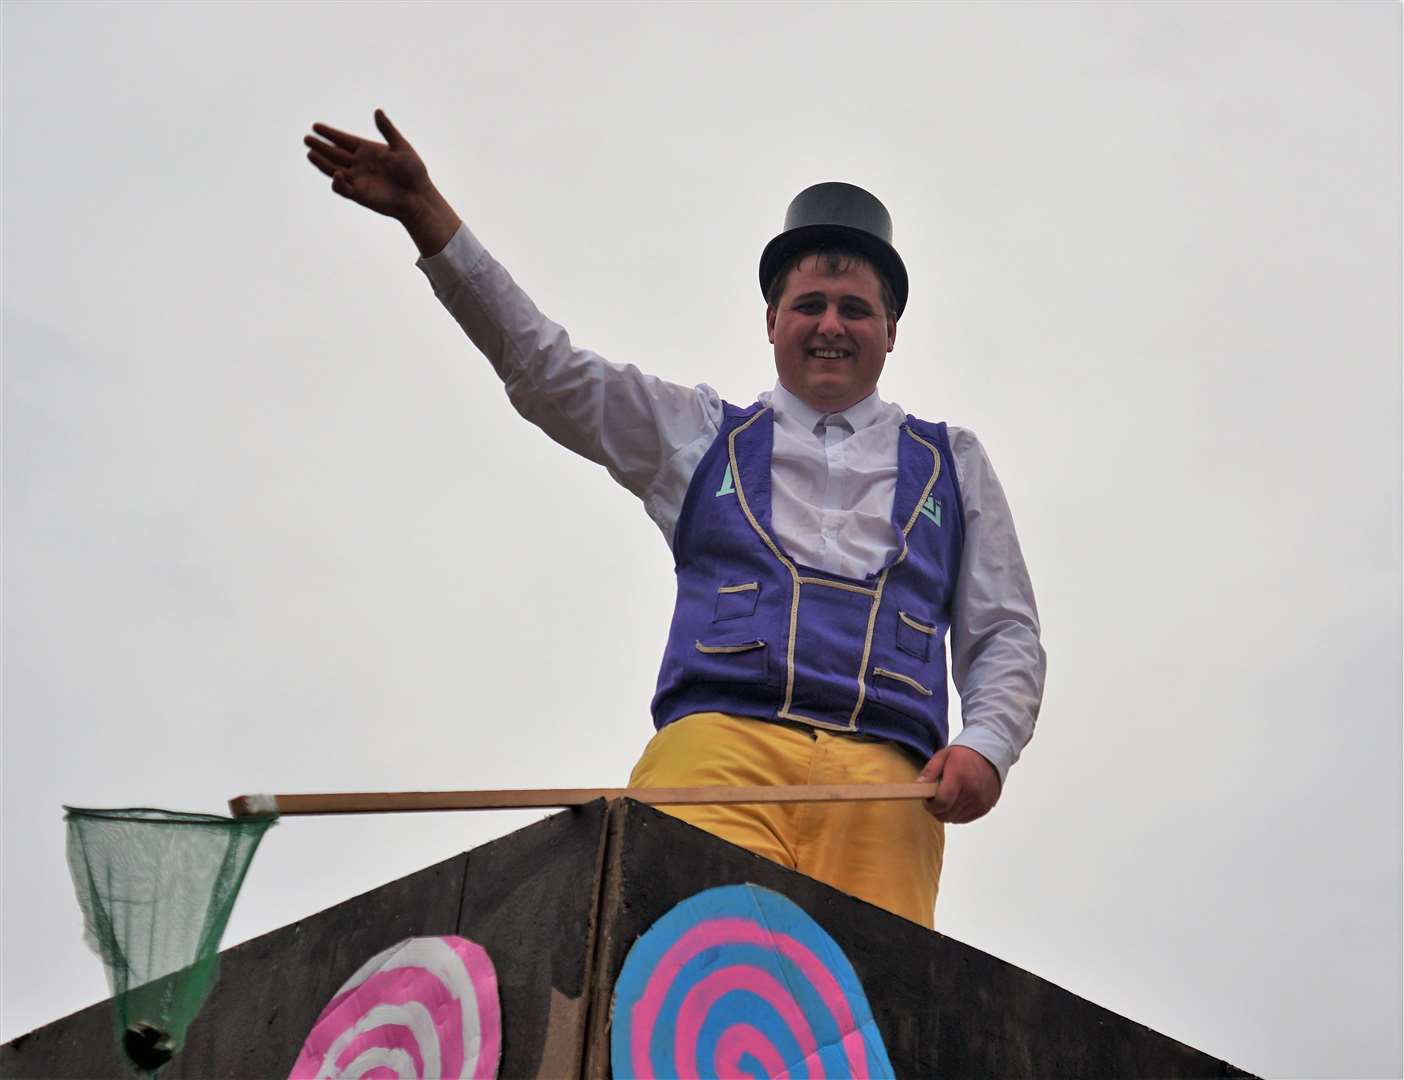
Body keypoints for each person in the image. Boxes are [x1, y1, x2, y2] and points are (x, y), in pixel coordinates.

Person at [303, 110, 1046, 929]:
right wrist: (430, 220)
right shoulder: (699, 435)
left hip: (888, 787)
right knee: (683, 979)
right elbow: (548, 371)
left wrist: (987, 745)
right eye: (809, 305)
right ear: (772, 322)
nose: (831, 325)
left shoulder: (955, 462)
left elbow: (1005, 631)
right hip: (719, 754)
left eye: (854, 309)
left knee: (861, 1023)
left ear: (890, 330)